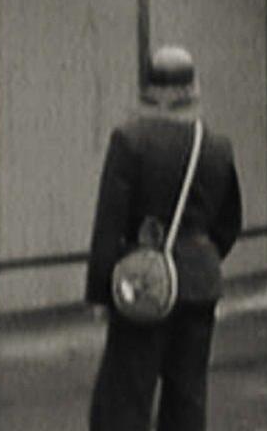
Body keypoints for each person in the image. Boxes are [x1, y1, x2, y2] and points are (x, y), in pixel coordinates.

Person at [86, 45, 244, 431]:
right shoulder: (216, 145)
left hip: (144, 286)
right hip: (199, 286)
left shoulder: (129, 139)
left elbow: (109, 223)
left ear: (148, 88)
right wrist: (195, 260)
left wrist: (102, 294)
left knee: (125, 399)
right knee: (187, 399)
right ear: (193, 88)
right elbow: (229, 222)